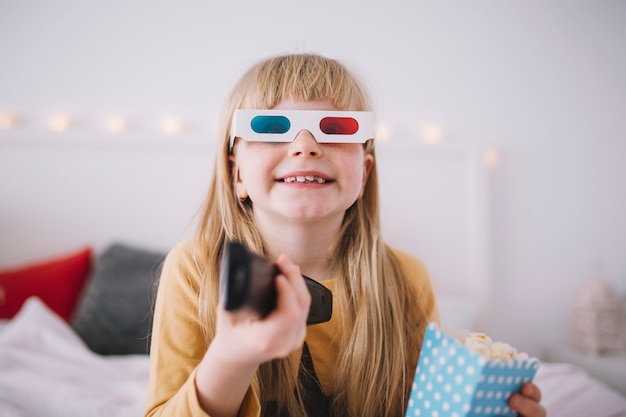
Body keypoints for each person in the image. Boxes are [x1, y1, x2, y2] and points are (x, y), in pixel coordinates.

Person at [144, 53, 546, 417]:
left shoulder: (405, 279)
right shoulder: (197, 270)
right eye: (270, 127)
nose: (305, 145)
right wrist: (233, 356)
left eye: (335, 129)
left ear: (365, 173)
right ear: (236, 175)